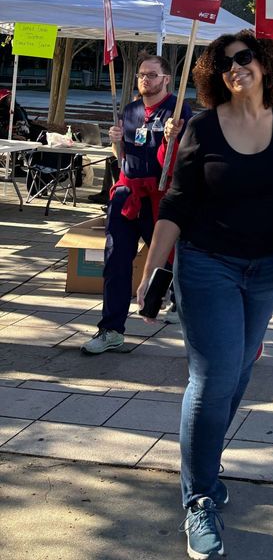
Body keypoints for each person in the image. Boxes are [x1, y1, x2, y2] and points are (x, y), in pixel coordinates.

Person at [136, 31, 273, 560]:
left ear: (265, 65)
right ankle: (197, 499)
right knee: (213, 376)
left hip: (265, 272)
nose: (235, 68)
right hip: (206, 264)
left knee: (238, 372)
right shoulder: (203, 126)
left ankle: (206, 469)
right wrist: (151, 270)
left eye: (244, 59)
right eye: (224, 64)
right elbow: (176, 201)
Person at [81, 53, 190, 355]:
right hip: (127, 194)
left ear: (167, 78)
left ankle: (168, 303)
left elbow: (181, 161)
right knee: (116, 260)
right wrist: (116, 140)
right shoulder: (130, 111)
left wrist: (172, 138)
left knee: (168, 261)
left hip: (159, 196)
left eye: (152, 75)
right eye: (142, 74)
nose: (145, 79)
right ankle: (111, 329)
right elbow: (123, 157)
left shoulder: (178, 110)